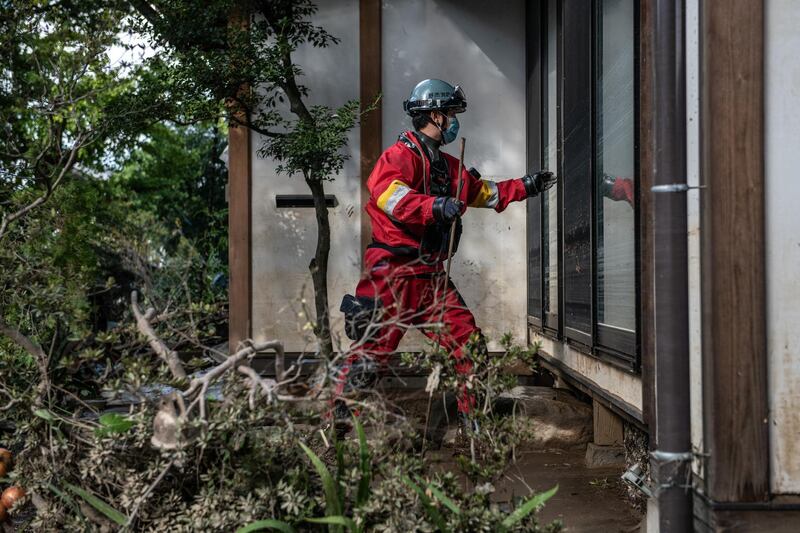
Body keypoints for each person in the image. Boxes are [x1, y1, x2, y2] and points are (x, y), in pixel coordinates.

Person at [336, 79, 557, 422]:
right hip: (392, 274)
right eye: (451, 113)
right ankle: (335, 431)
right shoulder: (398, 157)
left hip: (431, 277)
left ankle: (474, 425)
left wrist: (527, 186)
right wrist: (436, 206)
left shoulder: (447, 166)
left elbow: (484, 193)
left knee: (469, 345)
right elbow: (391, 198)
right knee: (369, 356)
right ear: (434, 115)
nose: (455, 121)